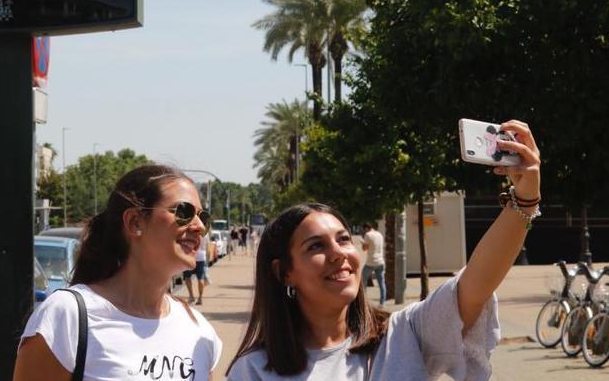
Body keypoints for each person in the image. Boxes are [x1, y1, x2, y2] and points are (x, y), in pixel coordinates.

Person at [228, 120, 540, 380]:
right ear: (284, 272)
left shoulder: (403, 335)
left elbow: (476, 283)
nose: (339, 253)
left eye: (344, 239)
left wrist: (525, 196)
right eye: (316, 246)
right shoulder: (253, 371)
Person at [13, 164, 223, 381]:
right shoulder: (66, 317)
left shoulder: (199, 331)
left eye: (203, 217)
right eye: (184, 212)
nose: (199, 226)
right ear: (134, 222)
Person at [360, 222, 386, 305]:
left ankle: (363, 301)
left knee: (362, 281)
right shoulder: (379, 234)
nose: (364, 232)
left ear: (366, 228)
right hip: (380, 262)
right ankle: (382, 302)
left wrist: (363, 243)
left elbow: (365, 248)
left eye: (364, 230)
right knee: (381, 283)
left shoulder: (368, 235)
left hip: (371, 262)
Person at [184, 232, 209, 305]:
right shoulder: (205, 233)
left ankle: (191, 296)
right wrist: (207, 259)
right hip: (201, 257)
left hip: (190, 256)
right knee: (200, 278)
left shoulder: (188, 232)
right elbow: (207, 246)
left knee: (187, 277)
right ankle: (200, 298)